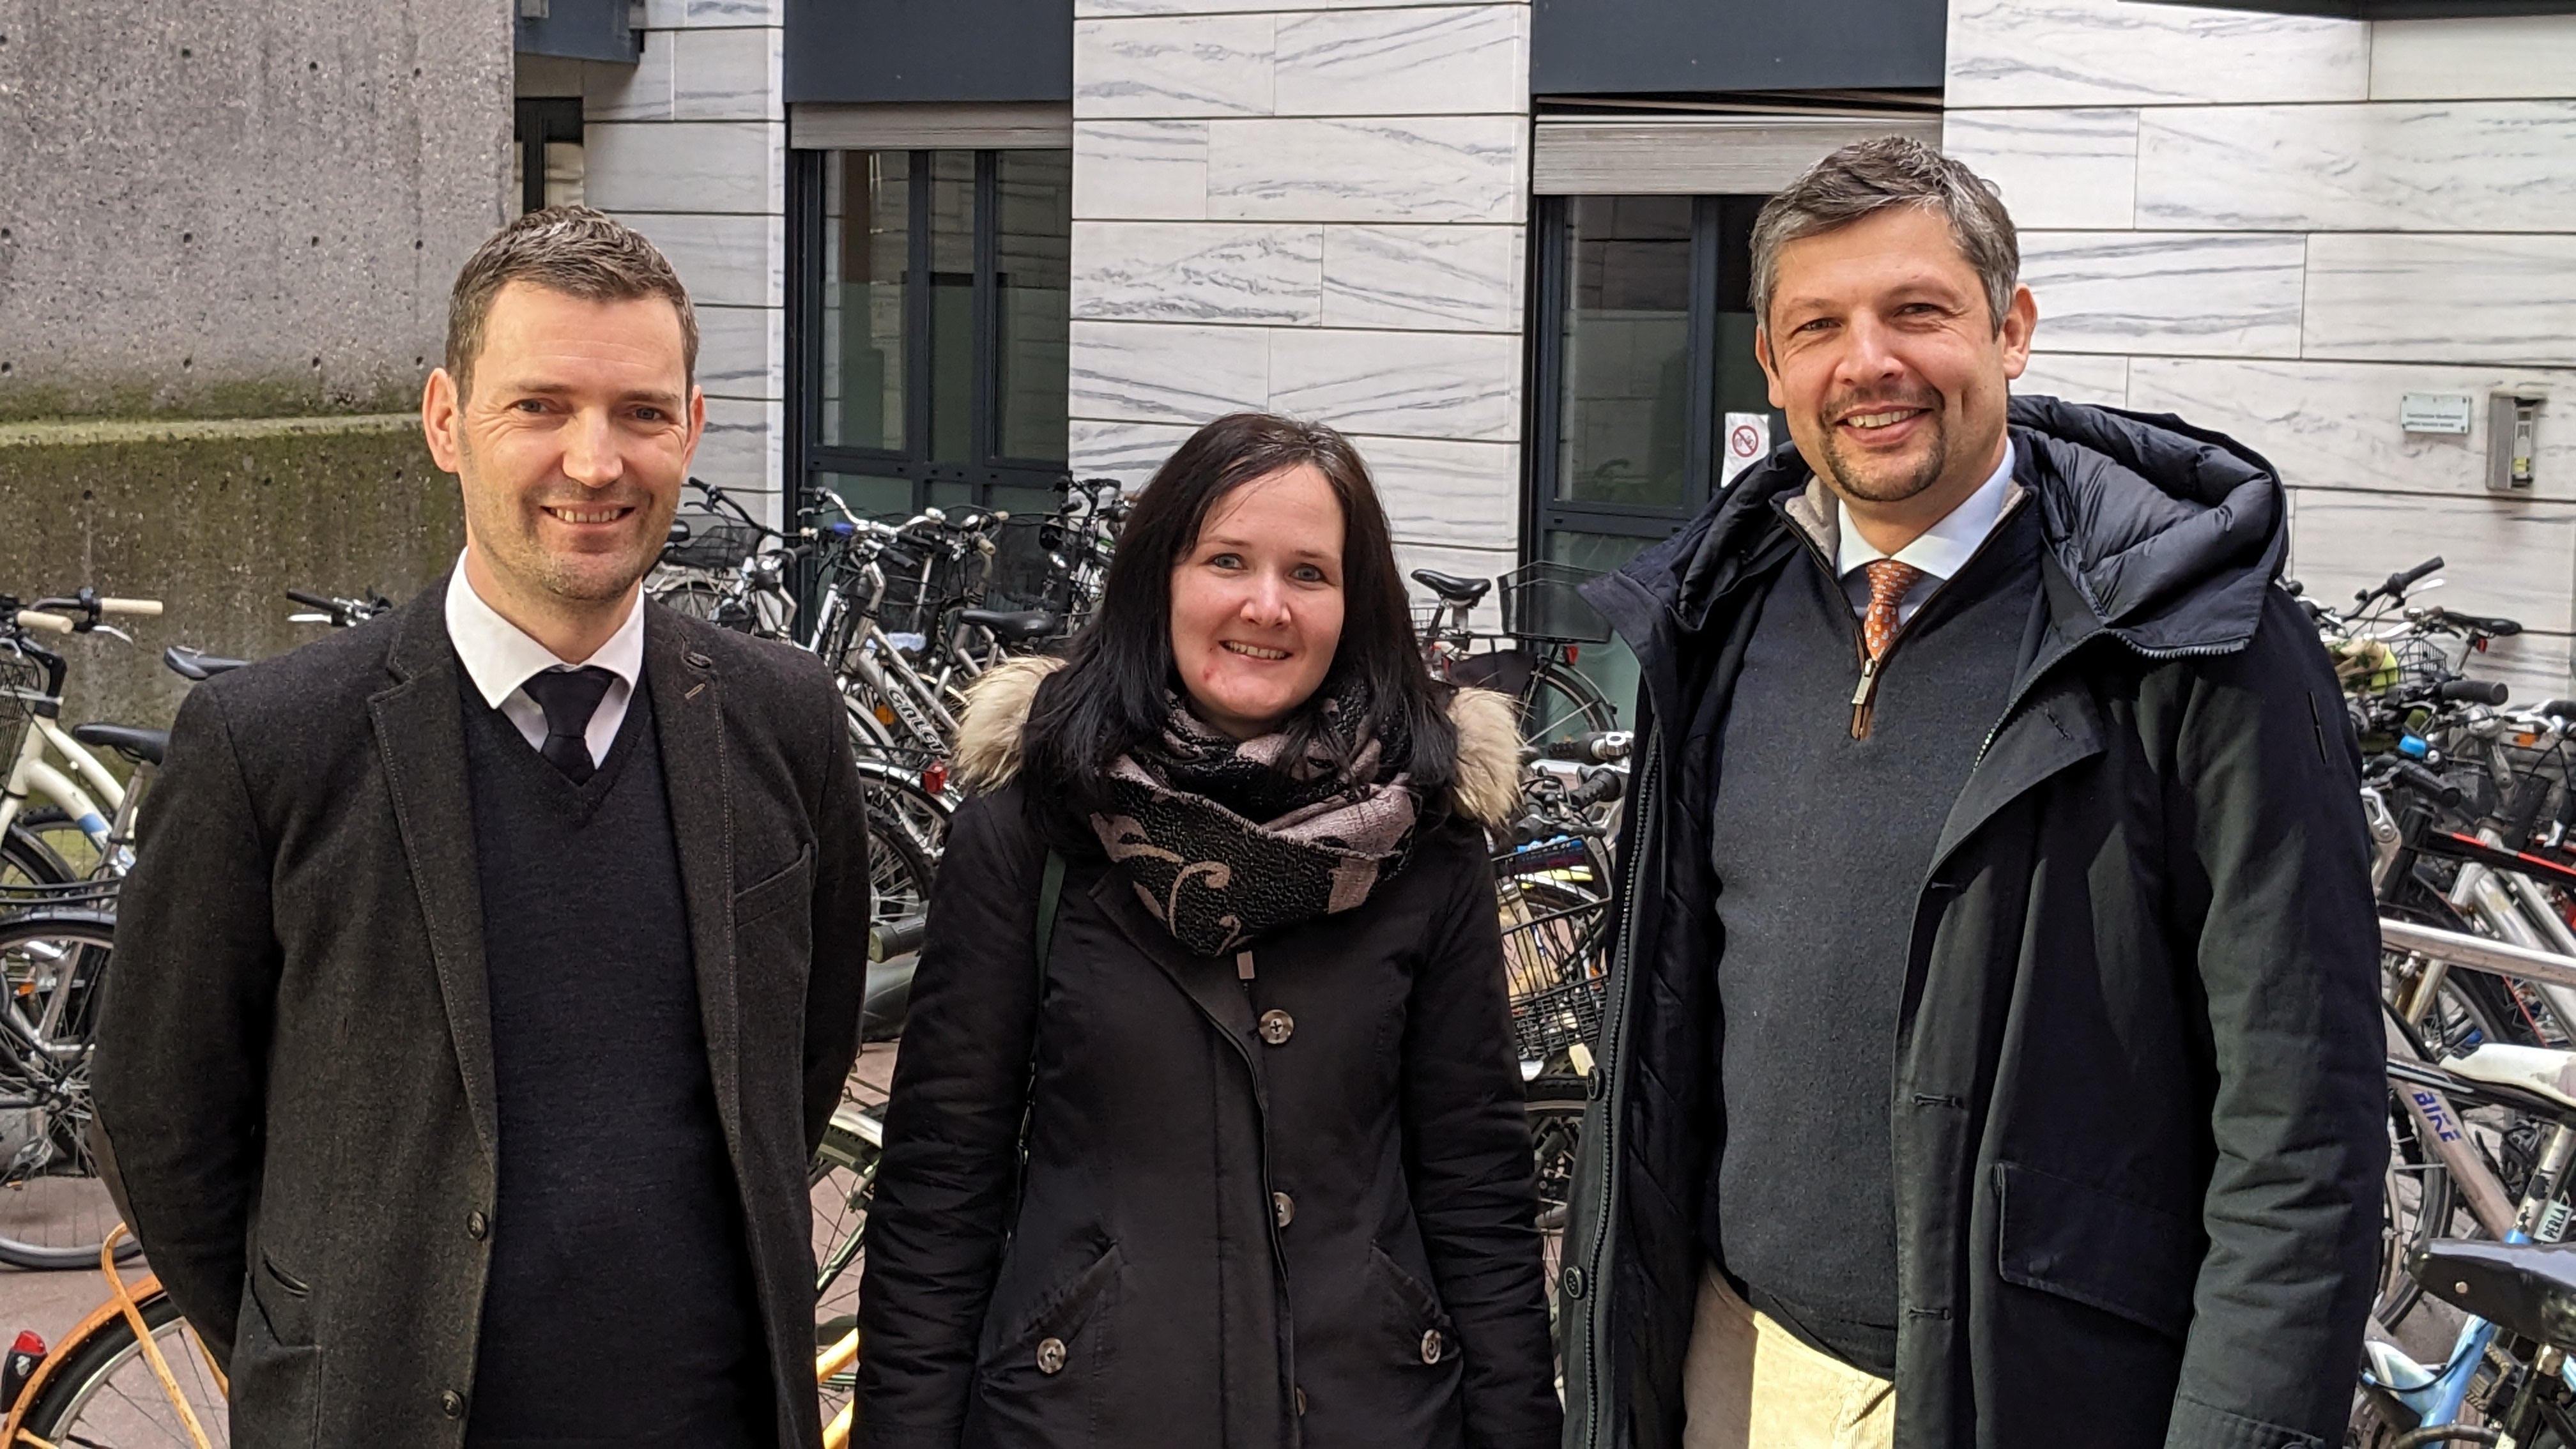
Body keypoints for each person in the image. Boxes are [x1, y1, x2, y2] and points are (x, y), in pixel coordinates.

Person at [1554, 137, 2384, 1449]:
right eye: (1817, 325)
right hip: (1732, 1367)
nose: (1868, 362)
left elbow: (2302, 1140)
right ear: (1771, 369)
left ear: (2012, 330)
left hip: (2033, 1399)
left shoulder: (2196, 647)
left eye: (1918, 311)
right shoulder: (1717, 620)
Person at [91, 206, 873, 1448]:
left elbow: (799, 1064)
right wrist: (318, 1354)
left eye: (639, 413)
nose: (596, 461)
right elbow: (159, 1117)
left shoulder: (783, 719)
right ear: (446, 422)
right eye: (541, 406)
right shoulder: (271, 746)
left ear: (693, 429)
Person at [853, 412, 1562, 1449]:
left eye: (1309, 573)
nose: (1265, 606)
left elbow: (1477, 1185)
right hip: (1085, 1414)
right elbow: (940, 1189)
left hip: (1372, 1411)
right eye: (1227, 559)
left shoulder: (1428, 840)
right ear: (1160, 581)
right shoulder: (1033, 827)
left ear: (1356, 605)